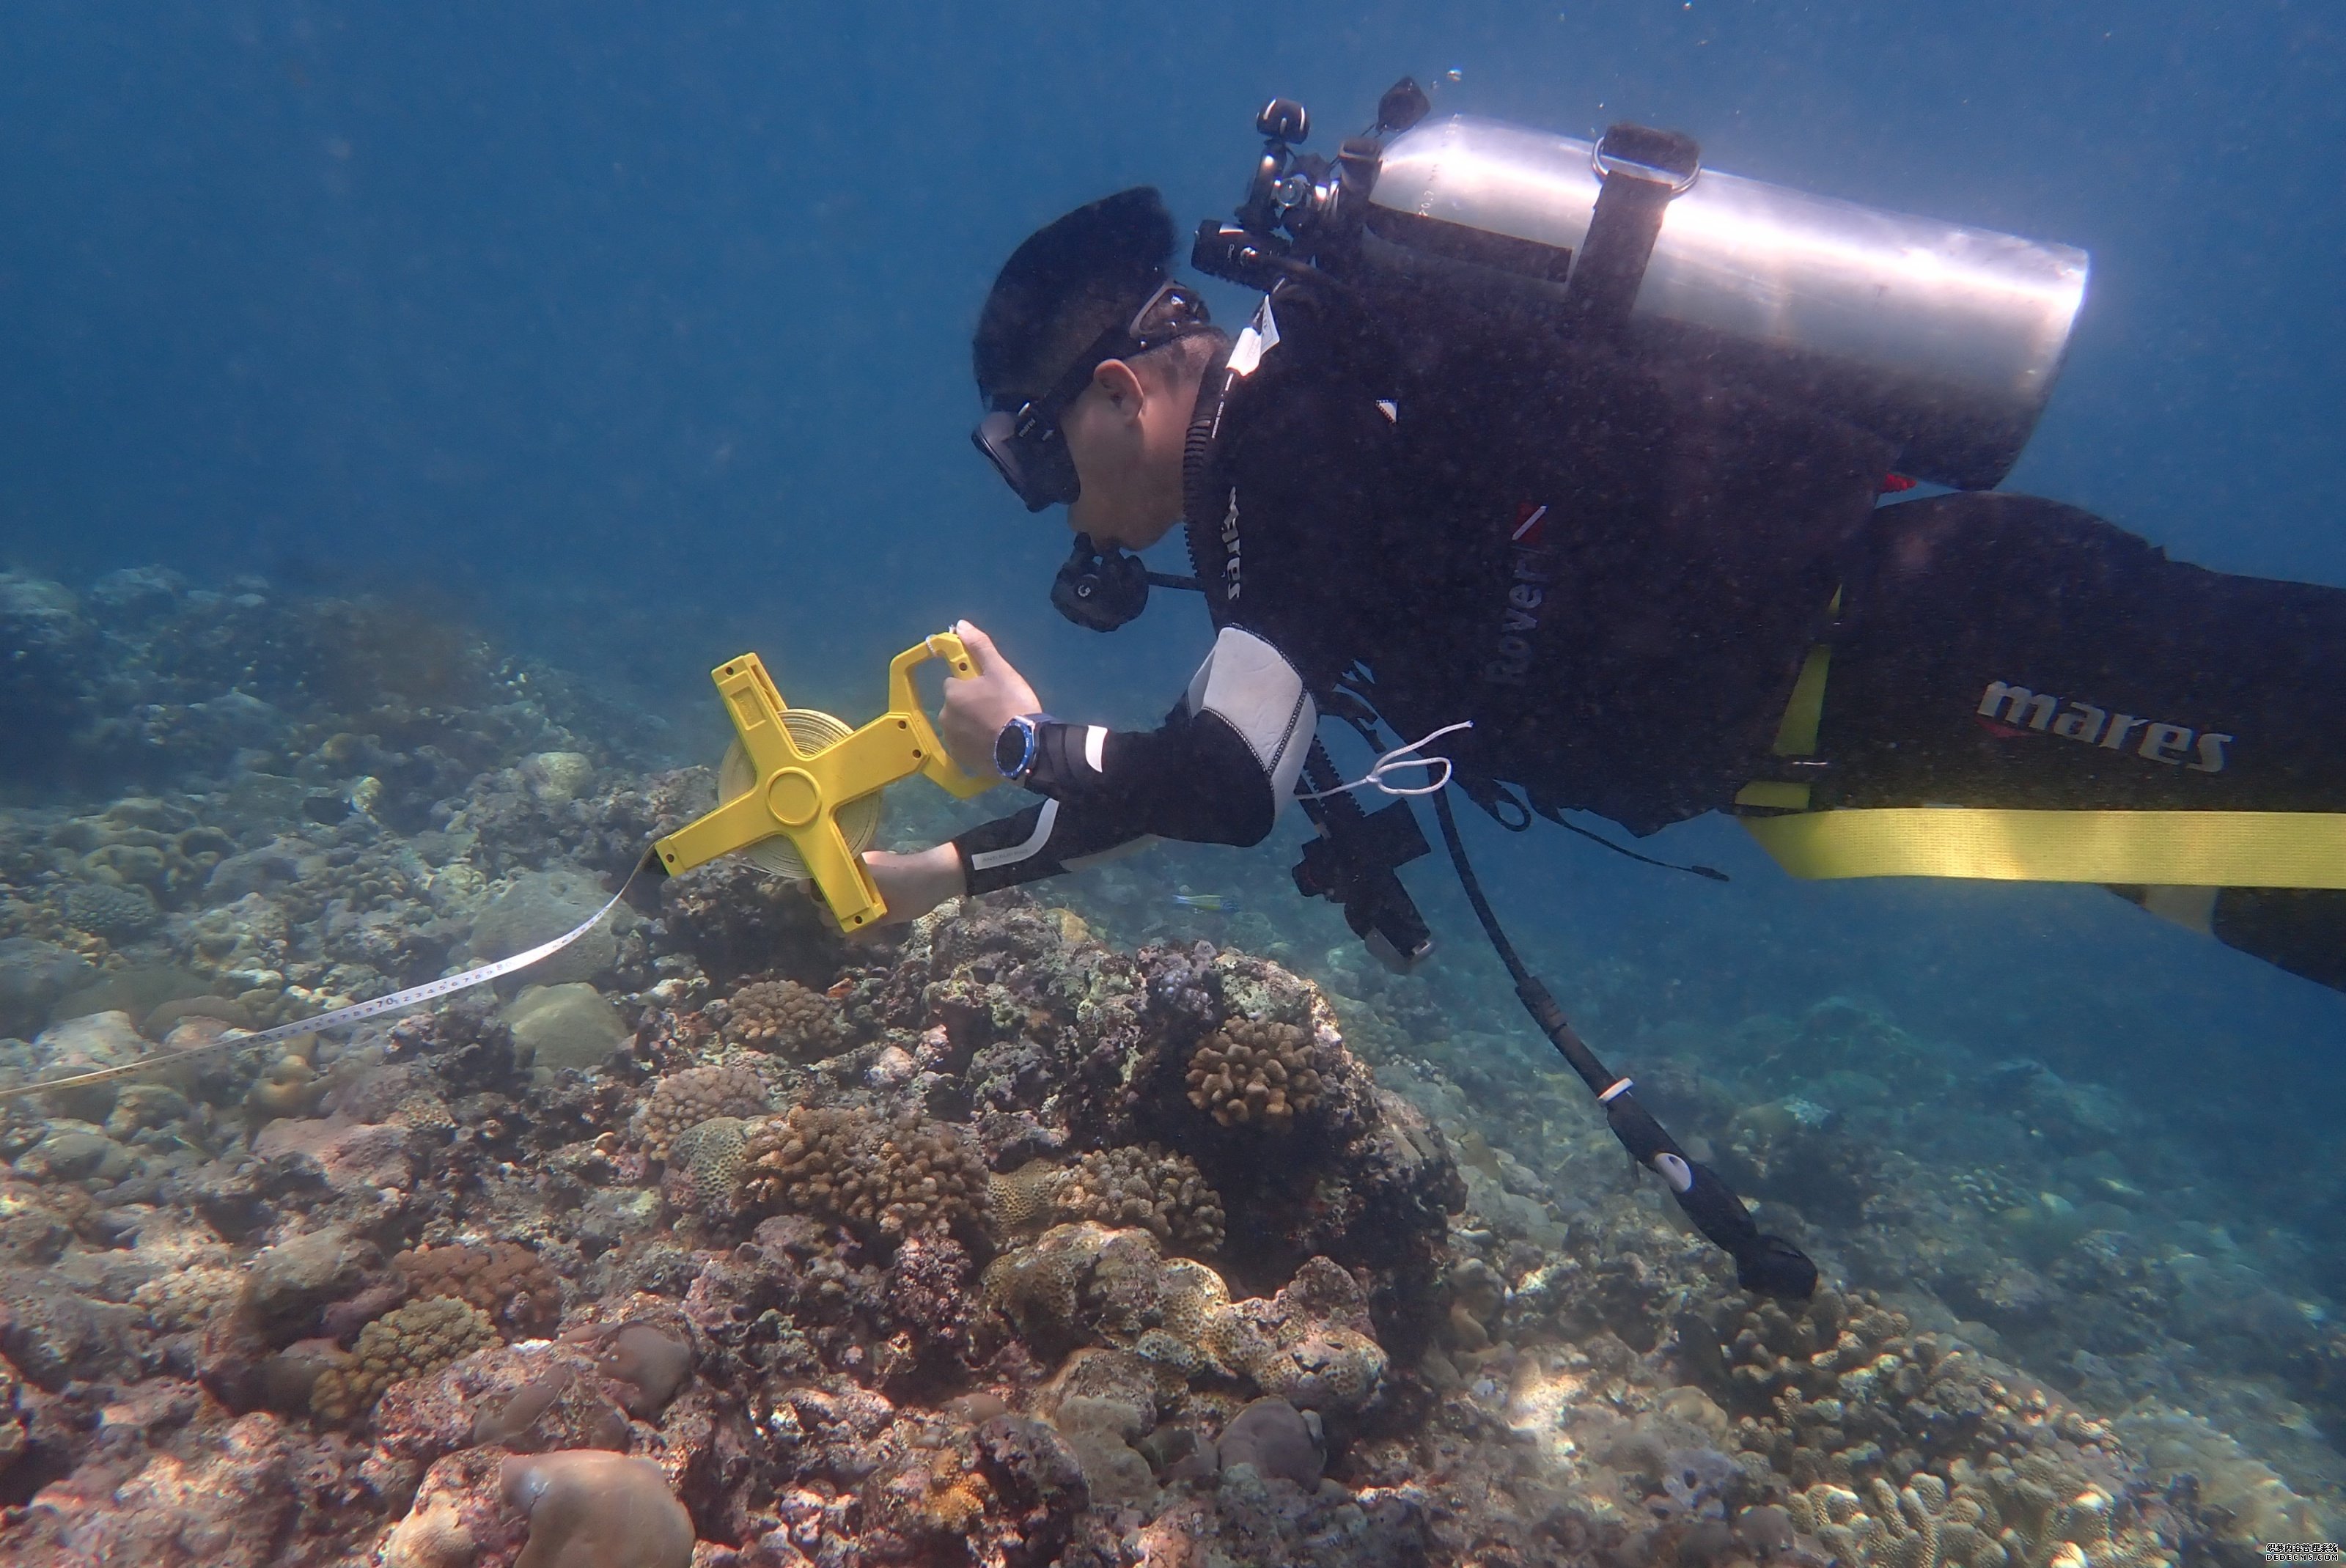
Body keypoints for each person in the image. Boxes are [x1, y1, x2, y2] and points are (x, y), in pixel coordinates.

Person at [861, 185, 2346, 995]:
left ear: (1116, 391)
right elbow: (1201, 759)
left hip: (1946, 642)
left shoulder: (1292, 439)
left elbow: (1225, 780)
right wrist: (955, 874)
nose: (1061, 511)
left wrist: (1016, 740)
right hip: (1899, 728)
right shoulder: (1290, 456)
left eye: (1042, 462)